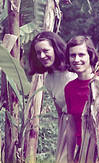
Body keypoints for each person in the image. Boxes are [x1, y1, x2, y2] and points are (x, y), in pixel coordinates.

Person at [64, 35, 99, 163]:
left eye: (81, 55)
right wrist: (70, 158)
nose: (77, 59)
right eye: (72, 55)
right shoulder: (70, 88)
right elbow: (72, 126)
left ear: (90, 56)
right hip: (83, 153)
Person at [29, 31, 77, 163]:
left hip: (81, 126)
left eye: (45, 50)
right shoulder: (49, 79)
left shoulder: (73, 73)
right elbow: (60, 112)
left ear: (55, 49)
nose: (42, 56)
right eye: (38, 53)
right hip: (65, 127)